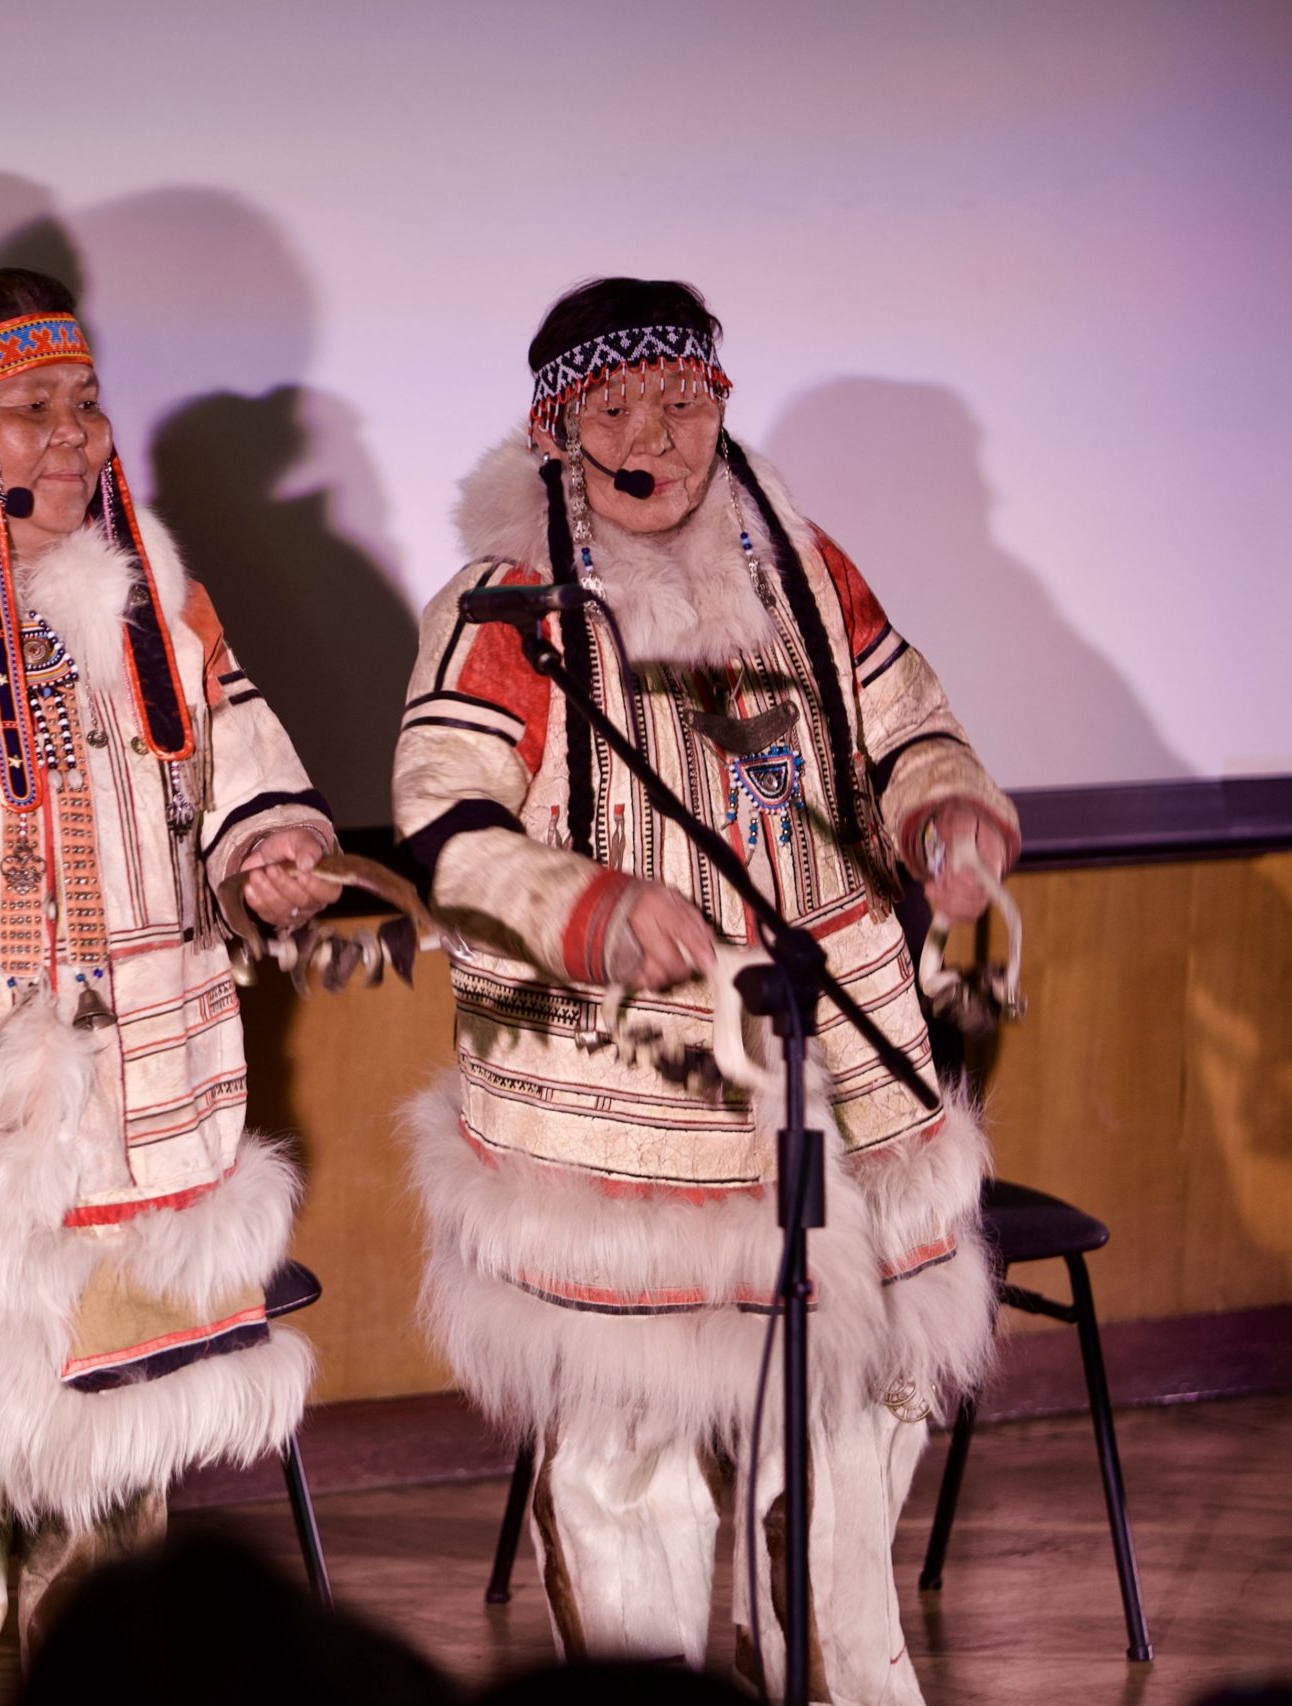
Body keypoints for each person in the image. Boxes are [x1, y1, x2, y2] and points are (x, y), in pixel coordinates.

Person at [396, 278, 1016, 1704]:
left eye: (682, 400)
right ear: (558, 430)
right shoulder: (506, 609)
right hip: (620, 1092)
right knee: (626, 1443)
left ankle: (847, 1675)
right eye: (617, 407)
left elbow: (904, 718)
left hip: (833, 1064)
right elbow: (446, 813)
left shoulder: (801, 566)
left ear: (720, 403)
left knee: (850, 1416)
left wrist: (946, 815)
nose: (657, 435)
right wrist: (589, 906)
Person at [0, 268, 339, 1702]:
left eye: (86, 404)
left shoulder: (154, 590)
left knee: (116, 1504)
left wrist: (276, 855)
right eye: (27, 410)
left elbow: (245, 772)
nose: (72, 437)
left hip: (135, 1111)